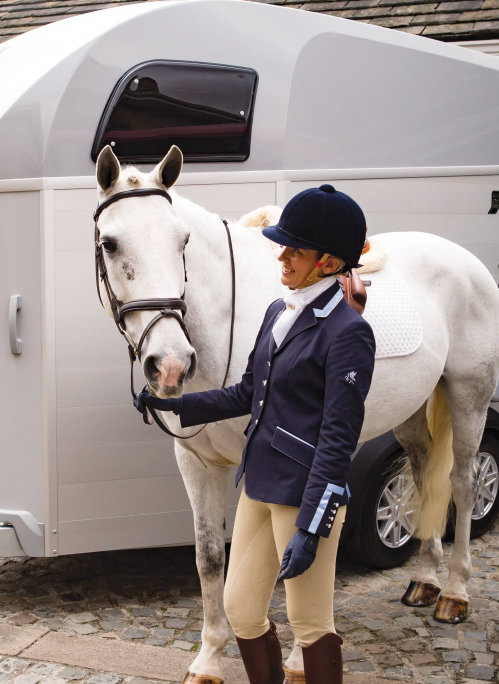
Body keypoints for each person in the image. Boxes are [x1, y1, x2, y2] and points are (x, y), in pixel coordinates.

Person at [135, 185, 376, 684]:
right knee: (242, 609)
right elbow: (246, 394)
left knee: (310, 624)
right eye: (282, 245)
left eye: (296, 250)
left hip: (304, 493)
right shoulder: (277, 312)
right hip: (259, 482)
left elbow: (338, 439)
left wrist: (313, 523)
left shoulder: (348, 334)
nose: (281, 256)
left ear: (329, 263)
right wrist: (173, 404)